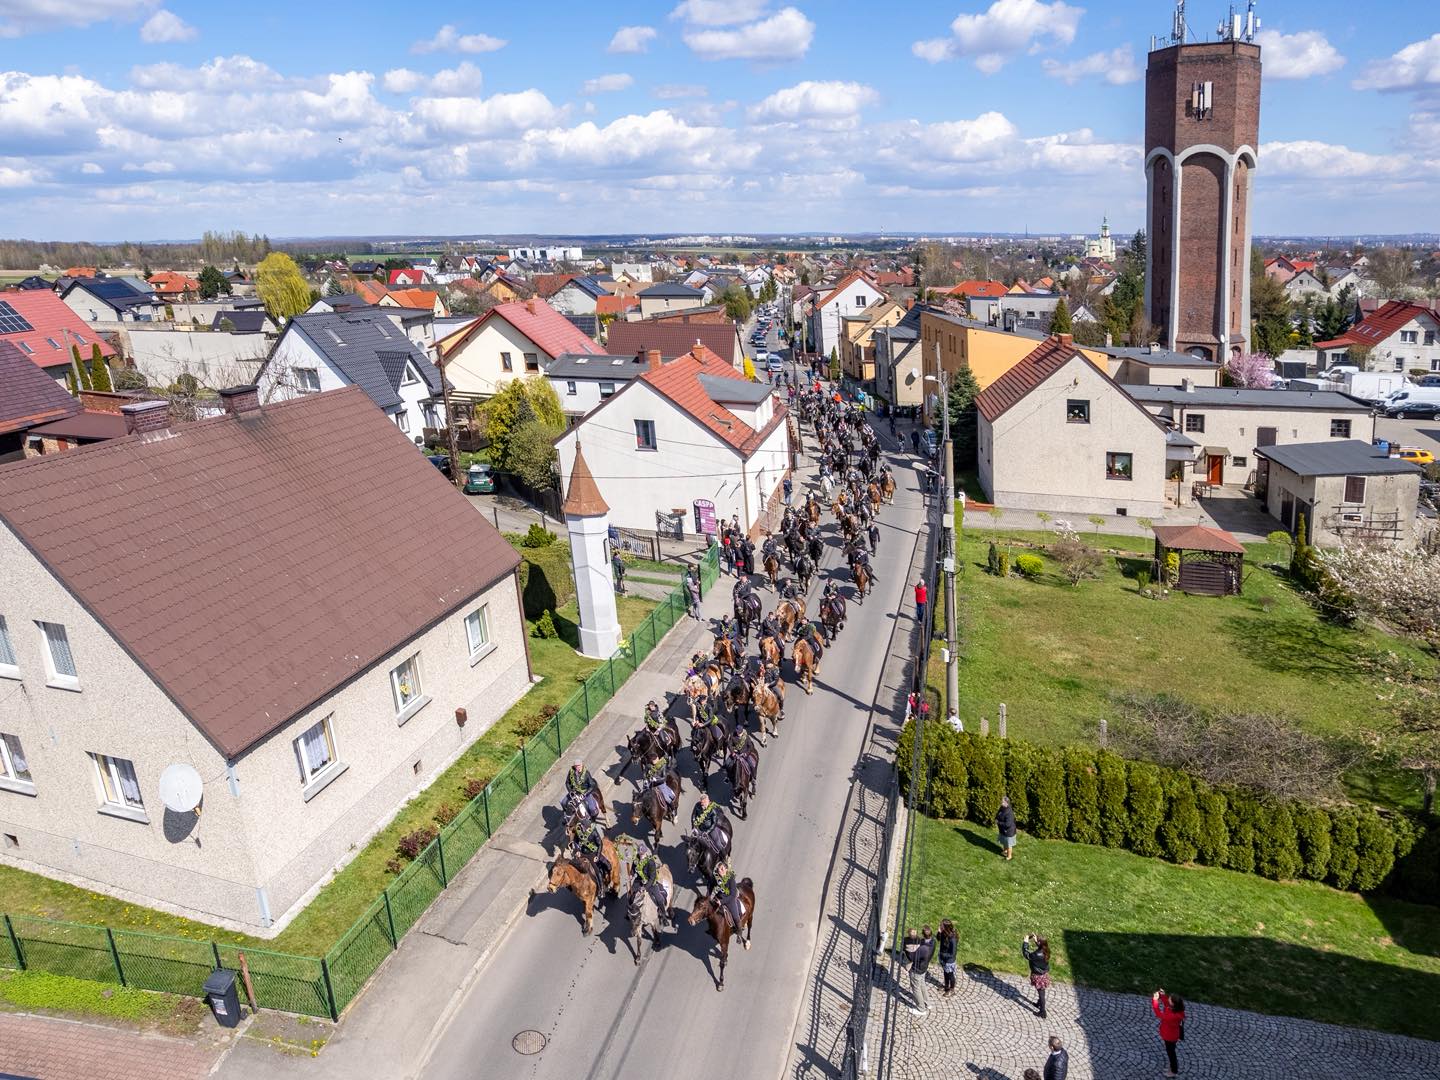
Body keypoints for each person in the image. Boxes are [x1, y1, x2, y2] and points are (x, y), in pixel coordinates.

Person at [572, 817, 610, 895]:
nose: (586, 829)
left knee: (596, 871)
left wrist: (598, 856)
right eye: (584, 827)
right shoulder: (578, 831)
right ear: (582, 826)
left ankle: (601, 888)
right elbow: (575, 841)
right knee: (573, 867)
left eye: (587, 828)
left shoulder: (593, 832)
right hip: (582, 853)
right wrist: (577, 851)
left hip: (592, 853)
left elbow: (600, 844)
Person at [1152, 989, 1186, 1076]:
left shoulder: (1172, 1016)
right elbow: (1167, 1004)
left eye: (1170, 999)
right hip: (1173, 1034)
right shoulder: (1177, 1009)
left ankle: (1174, 1071)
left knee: (1171, 1053)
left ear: (1173, 1004)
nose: (1168, 1000)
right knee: (1172, 1051)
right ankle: (1172, 1066)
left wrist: (1155, 1001)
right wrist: (1163, 996)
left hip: (1170, 1037)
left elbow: (1158, 1014)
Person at [633, 847, 670, 926]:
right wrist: (631, 874)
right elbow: (633, 868)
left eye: (642, 854)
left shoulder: (650, 862)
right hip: (639, 881)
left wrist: (645, 888)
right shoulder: (636, 859)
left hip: (650, 884)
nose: (641, 856)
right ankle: (631, 912)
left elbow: (652, 877)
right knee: (631, 894)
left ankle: (664, 916)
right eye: (640, 854)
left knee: (659, 899)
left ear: (645, 853)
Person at [1022, 934, 1051, 1019]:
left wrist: (1025, 942)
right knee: (1042, 991)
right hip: (1044, 974)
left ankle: (1043, 1012)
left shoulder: (1037, 954)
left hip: (1038, 976)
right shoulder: (1046, 950)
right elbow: (1040, 946)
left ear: (1039, 943)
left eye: (1037, 940)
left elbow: (1026, 954)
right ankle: (1039, 1003)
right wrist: (1036, 941)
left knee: (1041, 994)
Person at [908, 925, 934, 1017]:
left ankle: (921, 1008)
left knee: (916, 988)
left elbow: (912, 957)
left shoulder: (923, 949)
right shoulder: (933, 942)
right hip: (924, 968)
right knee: (922, 984)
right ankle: (928, 1003)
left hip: (917, 970)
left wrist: (909, 950)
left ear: (923, 934)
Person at [711, 860, 743, 931]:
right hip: (718, 897)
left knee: (736, 917)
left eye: (722, 869)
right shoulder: (716, 878)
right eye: (719, 870)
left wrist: (721, 902)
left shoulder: (731, 879)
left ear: (726, 869)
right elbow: (711, 885)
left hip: (729, 900)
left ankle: (739, 931)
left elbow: (733, 895)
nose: (720, 871)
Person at [937, 918, 958, 996]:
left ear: (945, 927)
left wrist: (943, 955)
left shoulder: (952, 938)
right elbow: (938, 939)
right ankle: (946, 986)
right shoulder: (943, 933)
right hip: (943, 958)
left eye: (941, 925)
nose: (939, 926)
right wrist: (939, 932)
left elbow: (953, 953)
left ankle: (951, 989)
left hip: (949, 960)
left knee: (950, 975)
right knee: (945, 973)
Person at [997, 795, 1018, 860]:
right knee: (1004, 841)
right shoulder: (1003, 807)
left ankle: (1009, 856)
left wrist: (998, 822)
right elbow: (999, 813)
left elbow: (1007, 824)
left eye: (1003, 802)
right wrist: (996, 818)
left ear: (1007, 803)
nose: (1001, 803)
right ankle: (1005, 851)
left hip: (1009, 831)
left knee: (1009, 844)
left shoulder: (1009, 813)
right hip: (1003, 830)